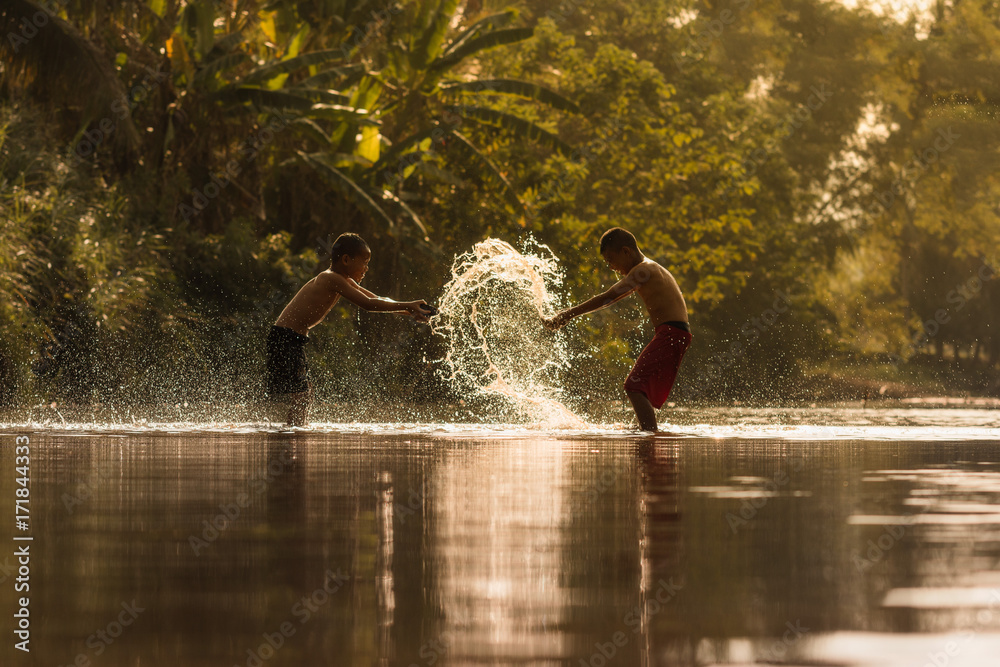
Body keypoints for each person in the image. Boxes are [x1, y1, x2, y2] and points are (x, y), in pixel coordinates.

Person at [266, 233, 432, 426]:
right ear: (346, 260)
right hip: (284, 338)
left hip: (293, 340)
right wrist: (409, 306)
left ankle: (294, 433)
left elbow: (378, 299)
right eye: (365, 262)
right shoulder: (330, 278)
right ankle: (290, 439)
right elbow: (369, 304)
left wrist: (410, 311)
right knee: (301, 395)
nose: (367, 268)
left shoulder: (343, 280)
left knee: (304, 394)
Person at [543, 228, 691, 432]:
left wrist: (567, 314)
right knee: (641, 389)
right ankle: (644, 431)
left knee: (633, 386)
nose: (611, 267)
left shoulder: (643, 270)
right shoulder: (648, 268)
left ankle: (650, 436)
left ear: (626, 252)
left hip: (672, 333)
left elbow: (608, 297)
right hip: (674, 333)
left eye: (611, 260)